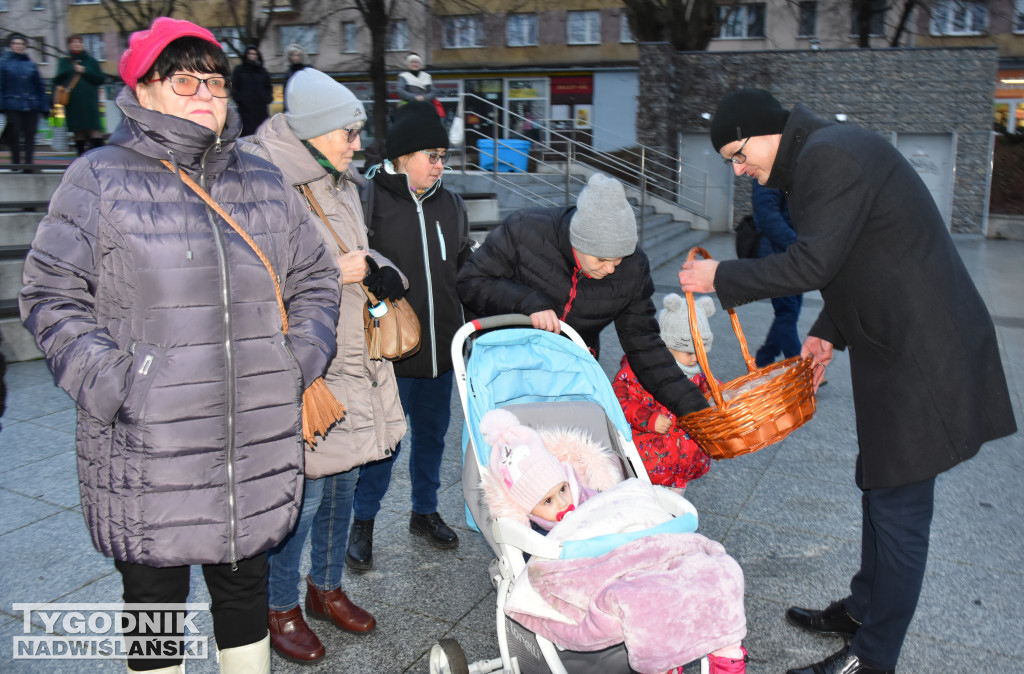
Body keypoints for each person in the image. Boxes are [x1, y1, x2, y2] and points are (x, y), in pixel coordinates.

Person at [18, 17, 342, 674]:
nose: (205, 93)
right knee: (154, 599)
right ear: (142, 88)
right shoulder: (98, 178)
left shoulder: (261, 179)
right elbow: (50, 294)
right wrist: (120, 383)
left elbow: (316, 276)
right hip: (149, 446)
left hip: (248, 442)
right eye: (184, 79)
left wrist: (294, 363)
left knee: (243, 588)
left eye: (214, 80)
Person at [678, 88, 1017, 674]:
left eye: (737, 154)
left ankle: (873, 657)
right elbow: (859, 253)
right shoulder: (822, 154)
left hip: (923, 354)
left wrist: (720, 276)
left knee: (900, 506)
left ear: (764, 132)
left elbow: (813, 263)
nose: (739, 170)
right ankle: (863, 609)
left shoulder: (827, 158)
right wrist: (828, 331)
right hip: (898, 345)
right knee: (879, 483)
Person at [242, 67, 407, 663]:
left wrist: (379, 267)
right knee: (303, 491)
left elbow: (346, 250)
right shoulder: (261, 181)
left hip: (348, 350)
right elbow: (247, 276)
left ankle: (325, 587)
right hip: (305, 358)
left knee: (345, 478)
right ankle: (279, 605)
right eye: (348, 132)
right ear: (313, 132)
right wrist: (335, 274)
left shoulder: (336, 179)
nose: (358, 144)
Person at [478, 408, 748, 674]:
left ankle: (724, 656)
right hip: (605, 579)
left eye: (563, 488)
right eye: (548, 501)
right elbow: (544, 574)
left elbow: (621, 510)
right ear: (527, 509)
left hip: (642, 554)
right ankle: (666, 656)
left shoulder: (593, 499)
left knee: (717, 573)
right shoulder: (536, 535)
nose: (563, 502)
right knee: (642, 600)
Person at [457, 172, 710, 424]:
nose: (610, 269)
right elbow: (471, 282)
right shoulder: (524, 231)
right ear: (576, 240)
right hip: (505, 365)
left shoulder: (632, 268)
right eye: (601, 259)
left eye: (618, 260)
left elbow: (644, 343)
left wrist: (693, 407)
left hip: (570, 374)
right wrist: (529, 303)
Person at [346, 100, 470, 568]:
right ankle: (364, 521)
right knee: (384, 442)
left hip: (441, 351)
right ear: (403, 156)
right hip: (392, 352)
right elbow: (351, 262)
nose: (440, 165)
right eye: (432, 155)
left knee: (433, 436)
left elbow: (464, 267)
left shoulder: (451, 205)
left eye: (443, 157)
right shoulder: (369, 200)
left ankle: (424, 510)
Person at [613, 293, 714, 491]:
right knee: (645, 508)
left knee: (674, 508)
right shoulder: (639, 371)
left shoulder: (695, 375)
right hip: (649, 462)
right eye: (688, 352)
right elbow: (620, 400)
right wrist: (647, 419)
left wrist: (717, 398)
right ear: (667, 345)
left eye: (699, 353)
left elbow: (710, 390)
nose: (695, 359)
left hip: (682, 464)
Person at [749, 180, 803, 369]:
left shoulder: (788, 172)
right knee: (788, 310)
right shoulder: (766, 174)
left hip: (792, 255)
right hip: (777, 256)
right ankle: (798, 367)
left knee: (791, 309)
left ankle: (764, 357)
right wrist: (798, 245)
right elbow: (768, 217)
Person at [0, 34, 49, 169]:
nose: (19, 46)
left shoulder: (31, 65)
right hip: (12, 105)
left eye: (21, 43)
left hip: (32, 105)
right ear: (11, 46)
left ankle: (28, 163)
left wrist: (44, 106)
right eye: (16, 43)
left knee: (30, 134)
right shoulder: (4, 64)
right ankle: (15, 162)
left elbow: (40, 86)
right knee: (14, 134)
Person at [54, 34, 106, 155]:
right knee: (78, 131)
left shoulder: (91, 61)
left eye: (79, 42)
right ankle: (81, 158)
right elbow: (58, 80)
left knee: (94, 128)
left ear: (82, 45)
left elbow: (100, 79)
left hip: (90, 101)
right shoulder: (64, 62)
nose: (77, 44)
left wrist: (85, 71)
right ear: (69, 45)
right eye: (73, 42)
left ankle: (99, 156)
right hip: (73, 101)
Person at [231, 45, 272, 136]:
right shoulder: (239, 70)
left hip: (260, 110)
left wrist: (267, 98)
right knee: (246, 136)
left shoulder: (262, 71)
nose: (252, 56)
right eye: (250, 53)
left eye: (255, 54)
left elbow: (268, 87)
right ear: (246, 54)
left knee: (260, 134)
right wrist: (240, 99)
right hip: (245, 110)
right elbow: (234, 87)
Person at [282, 43, 307, 110]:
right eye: (293, 55)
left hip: (305, 103)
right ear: (290, 57)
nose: (296, 58)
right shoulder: (288, 73)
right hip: (292, 103)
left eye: (298, 55)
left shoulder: (306, 71)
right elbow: (285, 91)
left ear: (301, 57)